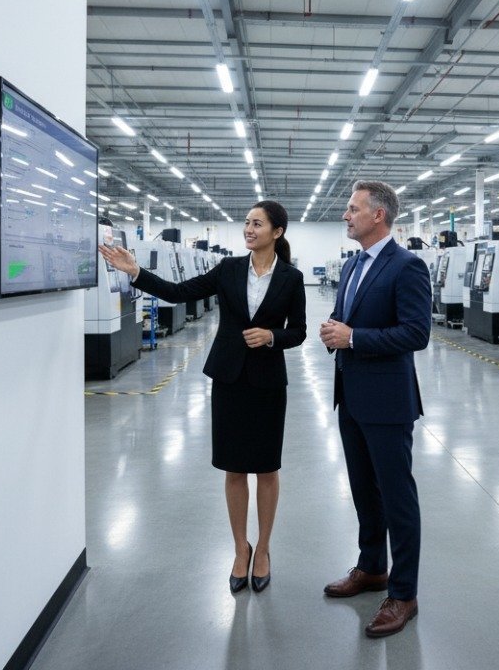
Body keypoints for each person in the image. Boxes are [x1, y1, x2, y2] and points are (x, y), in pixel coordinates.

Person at [98, 201, 306, 594]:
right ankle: (239, 550)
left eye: (256, 223)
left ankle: (263, 549)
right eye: (246, 222)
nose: (248, 228)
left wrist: (272, 336)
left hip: (266, 382)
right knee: (233, 467)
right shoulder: (228, 270)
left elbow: (298, 331)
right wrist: (135, 272)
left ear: (276, 232)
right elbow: (179, 292)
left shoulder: (291, 279)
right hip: (229, 377)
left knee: (266, 468)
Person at [319, 180, 431, 638]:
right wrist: (336, 333)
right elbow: (352, 321)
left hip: (387, 401)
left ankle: (403, 593)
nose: (346, 215)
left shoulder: (408, 266)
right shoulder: (351, 267)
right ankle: (372, 568)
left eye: (352, 208)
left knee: (397, 496)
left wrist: (355, 338)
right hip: (352, 394)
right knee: (365, 490)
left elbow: (415, 334)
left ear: (378, 214)